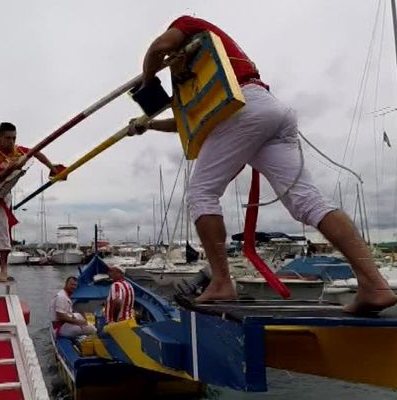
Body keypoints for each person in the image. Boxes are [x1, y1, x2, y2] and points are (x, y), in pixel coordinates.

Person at [128, 16, 397, 314]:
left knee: (201, 194)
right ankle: (374, 284)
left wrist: (148, 81)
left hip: (243, 109)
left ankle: (221, 282)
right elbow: (187, 123)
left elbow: (158, 47)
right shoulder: (204, 73)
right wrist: (149, 124)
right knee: (308, 201)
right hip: (268, 109)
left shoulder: (189, 26)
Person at [0, 122, 65, 281]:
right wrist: (10, 169)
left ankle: (4, 269)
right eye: (7, 138)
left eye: (14, 138)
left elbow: (36, 152)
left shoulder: (17, 151)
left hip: (2, 195)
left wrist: (51, 166)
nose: (11, 142)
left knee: (3, 231)